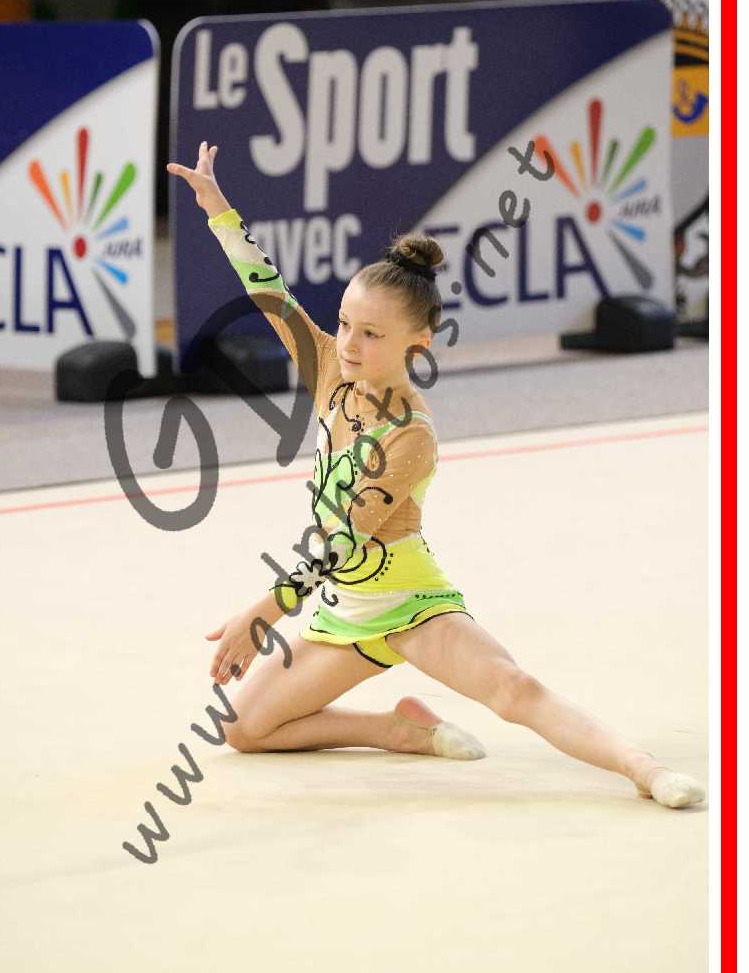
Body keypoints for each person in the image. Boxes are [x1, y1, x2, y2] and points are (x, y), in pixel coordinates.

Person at [167, 141, 706, 810]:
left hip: (408, 602)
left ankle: (644, 768)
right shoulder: (331, 368)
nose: (350, 344)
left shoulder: (411, 435)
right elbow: (268, 290)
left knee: (512, 689)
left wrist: (264, 611)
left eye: (371, 334)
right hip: (342, 610)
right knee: (244, 729)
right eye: (345, 324)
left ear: (417, 343)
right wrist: (218, 209)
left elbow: (348, 539)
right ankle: (399, 730)